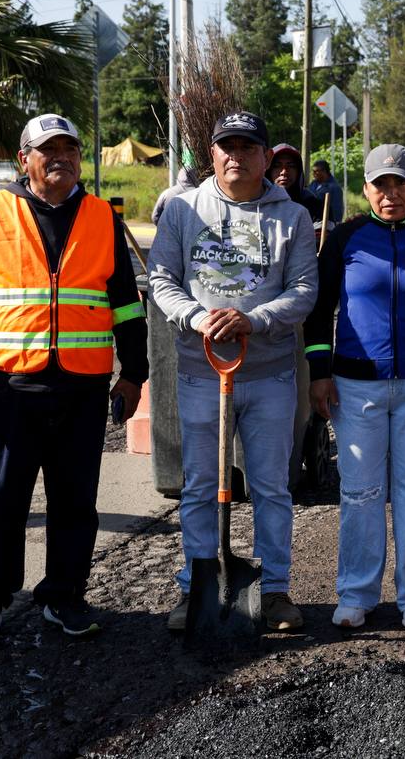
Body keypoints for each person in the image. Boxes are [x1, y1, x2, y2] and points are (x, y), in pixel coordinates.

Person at [0, 113, 148, 646]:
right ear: (24, 158)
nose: (59, 157)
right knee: (3, 500)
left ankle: (64, 597)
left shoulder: (102, 216)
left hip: (82, 389)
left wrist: (134, 375)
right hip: (12, 389)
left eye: (68, 149)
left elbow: (126, 305)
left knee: (76, 500)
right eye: (46, 149)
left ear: (80, 156)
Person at [148, 110, 318, 633]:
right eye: (227, 147)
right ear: (213, 154)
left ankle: (274, 592)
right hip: (202, 373)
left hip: (269, 377)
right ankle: (193, 587)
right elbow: (161, 279)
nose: (235, 156)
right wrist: (201, 318)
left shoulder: (291, 218)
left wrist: (254, 319)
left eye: (247, 147)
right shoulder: (182, 211)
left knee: (271, 486)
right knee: (199, 485)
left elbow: (304, 290)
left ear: (266, 158)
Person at [305, 144, 405, 631]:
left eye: (400, 184)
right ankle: (357, 593)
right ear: (365, 189)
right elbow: (320, 309)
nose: (391, 194)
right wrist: (319, 372)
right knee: (361, 493)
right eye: (380, 185)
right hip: (354, 386)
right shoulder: (346, 239)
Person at [267, 143, 311, 213]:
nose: (284, 172)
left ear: (298, 171)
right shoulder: (258, 202)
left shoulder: (313, 204)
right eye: (277, 166)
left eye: (291, 166)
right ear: (268, 170)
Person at [307, 159, 344, 227]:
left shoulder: (334, 187)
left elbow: (337, 209)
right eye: (313, 171)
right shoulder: (313, 184)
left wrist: (336, 225)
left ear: (324, 171)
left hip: (327, 225)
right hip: (310, 222)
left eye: (316, 171)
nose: (314, 174)